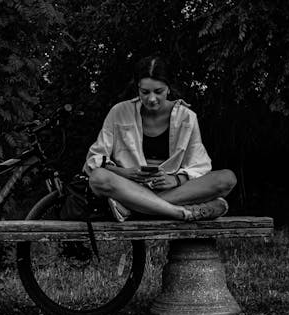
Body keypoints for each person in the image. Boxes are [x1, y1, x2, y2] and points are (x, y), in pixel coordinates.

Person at [84, 56, 237, 221]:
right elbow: (95, 159)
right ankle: (181, 212)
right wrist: (125, 173)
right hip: (129, 187)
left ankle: (132, 208)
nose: (151, 99)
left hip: (171, 190)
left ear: (168, 88)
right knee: (98, 178)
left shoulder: (186, 117)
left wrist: (176, 179)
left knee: (226, 179)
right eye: (145, 92)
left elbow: (199, 164)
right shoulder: (119, 111)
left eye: (158, 91)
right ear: (138, 88)